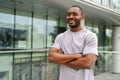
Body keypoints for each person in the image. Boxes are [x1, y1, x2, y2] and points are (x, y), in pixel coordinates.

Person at [48, 5, 98, 80]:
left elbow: (87, 63)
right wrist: (76, 55)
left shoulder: (90, 36)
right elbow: (51, 57)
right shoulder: (60, 37)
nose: (71, 16)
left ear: (82, 17)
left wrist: (61, 59)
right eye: (68, 14)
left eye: (75, 14)